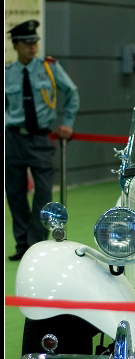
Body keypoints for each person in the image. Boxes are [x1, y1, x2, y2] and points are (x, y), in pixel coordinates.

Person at [5, 20, 80, 260]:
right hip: (13, 138)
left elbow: (72, 92)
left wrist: (68, 122)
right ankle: (21, 244)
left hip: (40, 138)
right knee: (15, 193)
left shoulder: (49, 68)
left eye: (34, 42)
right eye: (26, 43)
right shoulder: (8, 73)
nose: (32, 47)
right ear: (15, 45)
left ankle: (34, 244)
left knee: (44, 192)